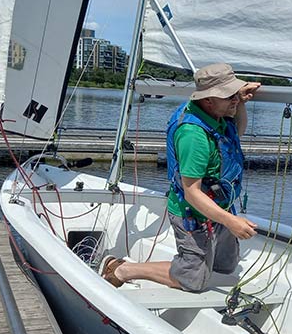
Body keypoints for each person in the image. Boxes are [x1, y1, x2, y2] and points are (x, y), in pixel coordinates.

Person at [101, 63, 260, 290]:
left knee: (226, 267)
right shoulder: (193, 135)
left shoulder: (214, 113)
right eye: (229, 96)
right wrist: (231, 221)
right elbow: (192, 192)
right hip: (193, 212)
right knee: (192, 280)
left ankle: (201, 260)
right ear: (208, 100)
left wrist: (239, 101)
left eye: (235, 93)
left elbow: (238, 131)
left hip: (219, 206)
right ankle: (122, 269)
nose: (234, 99)